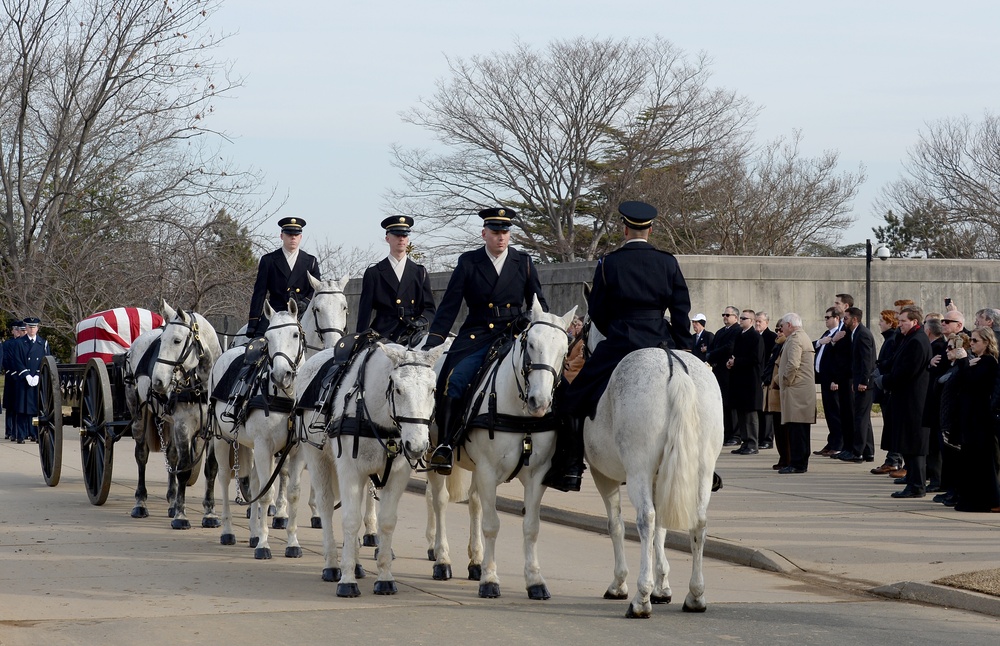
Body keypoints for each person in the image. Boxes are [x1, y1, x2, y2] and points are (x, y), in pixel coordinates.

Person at [554, 201, 693, 491]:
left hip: (620, 341)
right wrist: (685, 347)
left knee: (572, 398)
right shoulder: (668, 262)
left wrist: (616, 329)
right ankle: (704, 466)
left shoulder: (610, 263)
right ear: (651, 230)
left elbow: (600, 311)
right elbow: (681, 310)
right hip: (661, 339)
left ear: (625, 228)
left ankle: (570, 467)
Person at [425, 207, 548, 476]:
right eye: (495, 232)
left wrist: (537, 326)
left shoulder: (524, 262)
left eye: (505, 232)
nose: (501, 237)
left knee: (546, 378)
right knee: (453, 380)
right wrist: (433, 341)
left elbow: (538, 303)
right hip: (477, 334)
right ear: (484, 234)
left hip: (514, 334)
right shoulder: (469, 262)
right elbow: (450, 305)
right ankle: (445, 444)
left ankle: (555, 451)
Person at [355, 216, 436, 345]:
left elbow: (429, 308)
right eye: (397, 235)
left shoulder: (420, 272)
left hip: (413, 333)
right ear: (387, 238)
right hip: (382, 334)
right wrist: (360, 339)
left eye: (405, 235)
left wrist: (421, 321)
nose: (401, 238)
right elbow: (365, 311)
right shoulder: (374, 273)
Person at [880, 305, 932, 499]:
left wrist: (885, 380)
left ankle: (917, 485)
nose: (899, 324)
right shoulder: (909, 338)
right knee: (908, 443)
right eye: (899, 320)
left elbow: (906, 372)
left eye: (903, 321)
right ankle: (913, 482)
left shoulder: (917, 341)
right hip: (906, 399)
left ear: (914, 322)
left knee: (914, 444)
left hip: (914, 401)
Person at [950, 327, 1000, 512]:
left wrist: (963, 361)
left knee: (981, 460)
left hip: (980, 418)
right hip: (971, 417)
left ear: (986, 342)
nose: (971, 343)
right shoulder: (978, 361)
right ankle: (975, 499)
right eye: (970, 340)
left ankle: (989, 500)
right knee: (972, 459)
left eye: (975, 341)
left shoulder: (988, 362)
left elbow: (973, 383)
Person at [247, 217, 321, 336]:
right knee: (258, 344)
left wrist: (306, 302)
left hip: (302, 313)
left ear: (300, 237)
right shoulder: (269, 261)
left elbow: (316, 289)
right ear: (282, 236)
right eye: (289, 234)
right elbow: (259, 293)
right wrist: (253, 323)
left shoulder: (310, 261)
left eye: (296, 235)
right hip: (275, 313)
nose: (293, 237)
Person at [775, 313, 815, 474]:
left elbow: (792, 364)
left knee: (797, 429)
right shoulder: (801, 336)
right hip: (800, 391)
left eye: (783, 326)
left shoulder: (796, 339)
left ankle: (798, 463)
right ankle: (800, 462)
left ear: (790, 325)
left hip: (797, 391)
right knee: (800, 429)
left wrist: (784, 381)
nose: (781, 329)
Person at [843, 307, 876, 466]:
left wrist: (863, 381)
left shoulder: (862, 334)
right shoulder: (856, 333)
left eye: (846, 318)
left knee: (860, 418)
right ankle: (868, 451)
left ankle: (858, 452)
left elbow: (866, 360)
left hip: (864, 384)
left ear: (854, 319)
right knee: (864, 418)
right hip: (859, 382)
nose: (844, 321)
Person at [727, 309, 763, 454]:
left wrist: (737, 361)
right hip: (739, 380)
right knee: (741, 413)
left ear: (752, 321)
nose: (741, 320)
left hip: (750, 380)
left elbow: (756, 358)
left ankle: (753, 443)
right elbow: (734, 353)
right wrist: (731, 362)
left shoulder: (755, 337)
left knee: (750, 413)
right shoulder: (739, 335)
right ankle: (744, 442)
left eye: (744, 318)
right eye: (740, 318)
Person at [10, 317, 51, 444]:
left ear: (37, 329)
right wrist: (26, 375)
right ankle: (21, 435)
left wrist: (38, 374)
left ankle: (35, 434)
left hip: (37, 380)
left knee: (36, 409)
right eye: (30, 327)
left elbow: (46, 360)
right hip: (23, 380)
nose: (32, 329)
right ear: (26, 328)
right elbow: (17, 360)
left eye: (34, 327)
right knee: (22, 409)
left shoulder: (42, 343)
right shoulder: (19, 343)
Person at [707, 306, 741, 446]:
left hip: (730, 372)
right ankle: (726, 433)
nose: (725, 317)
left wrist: (712, 354)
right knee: (723, 404)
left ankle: (736, 434)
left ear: (736, 317)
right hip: (719, 370)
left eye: (728, 315)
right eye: (723, 314)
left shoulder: (737, 331)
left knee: (731, 403)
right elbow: (713, 346)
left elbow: (729, 347)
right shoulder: (720, 332)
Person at [755, 312, 777, 449]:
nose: (757, 324)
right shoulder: (755, 337)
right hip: (757, 377)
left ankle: (767, 439)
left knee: (767, 410)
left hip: (767, 378)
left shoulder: (772, 337)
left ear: (767, 323)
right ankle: (759, 437)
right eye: (756, 321)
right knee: (758, 410)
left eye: (760, 322)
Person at [3, 320, 25, 441]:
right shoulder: (7, 344)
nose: (16, 332)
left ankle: (21, 431)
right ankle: (9, 430)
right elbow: (5, 359)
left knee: (19, 405)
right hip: (11, 377)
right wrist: (11, 372)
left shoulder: (23, 343)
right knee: (10, 406)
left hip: (21, 376)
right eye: (16, 330)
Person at [563, 316, 586, 383]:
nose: (576, 327)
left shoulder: (583, 341)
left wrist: (569, 365)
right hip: (568, 373)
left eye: (579, 325)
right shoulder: (577, 339)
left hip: (574, 375)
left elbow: (582, 357)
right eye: (576, 325)